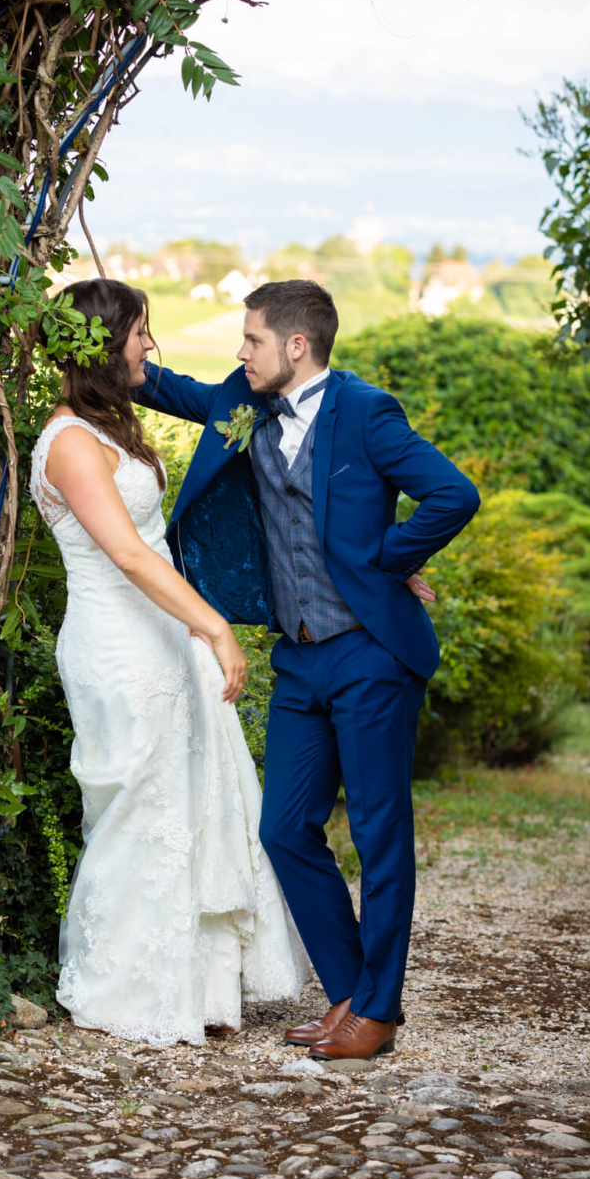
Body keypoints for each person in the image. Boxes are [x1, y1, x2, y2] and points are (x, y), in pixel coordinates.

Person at [136, 279, 480, 1061]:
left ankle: (378, 1010)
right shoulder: (246, 404)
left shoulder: (367, 413)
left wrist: (387, 563)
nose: (239, 352)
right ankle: (352, 993)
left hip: (371, 655)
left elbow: (453, 495)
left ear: (297, 346)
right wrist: (96, 338)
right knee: (285, 827)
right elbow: (171, 389)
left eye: (251, 339)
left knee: (378, 832)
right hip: (299, 658)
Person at [29, 277, 309, 1047]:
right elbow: (123, 552)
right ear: (102, 344)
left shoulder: (111, 428)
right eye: (140, 332)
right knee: (137, 809)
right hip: (117, 647)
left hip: (164, 636)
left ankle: (198, 986)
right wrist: (215, 627)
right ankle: (125, 987)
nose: (151, 346)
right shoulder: (70, 443)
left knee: (189, 804)